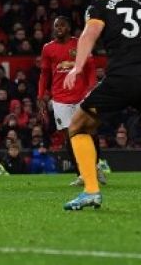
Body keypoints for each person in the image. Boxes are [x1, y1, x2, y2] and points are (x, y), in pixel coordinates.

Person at [62, 0, 141, 210]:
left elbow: (90, 34)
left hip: (123, 76)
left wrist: (78, 67)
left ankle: (91, 191)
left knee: (78, 127)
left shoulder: (99, 6)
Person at [37, 16, 106, 186]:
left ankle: (95, 166)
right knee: (70, 137)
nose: (58, 28)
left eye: (62, 25)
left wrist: (91, 88)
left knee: (90, 132)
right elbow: (45, 74)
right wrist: (40, 96)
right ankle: (81, 173)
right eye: (56, 26)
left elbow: (90, 67)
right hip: (60, 98)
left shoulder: (80, 43)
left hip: (81, 95)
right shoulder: (48, 48)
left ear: (69, 27)